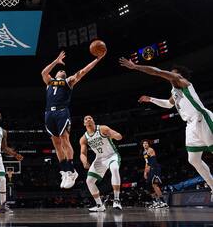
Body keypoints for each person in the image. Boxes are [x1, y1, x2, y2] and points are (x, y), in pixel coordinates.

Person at [119, 59, 213, 200]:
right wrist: (151, 99)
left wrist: (135, 67)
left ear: (179, 75)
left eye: (172, 73)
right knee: (193, 159)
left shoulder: (181, 81)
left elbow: (157, 72)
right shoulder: (174, 91)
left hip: (201, 118)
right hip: (190, 125)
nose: (170, 75)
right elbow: (168, 105)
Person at [41, 50, 106, 189]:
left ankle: (71, 170)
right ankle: (64, 171)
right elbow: (43, 73)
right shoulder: (49, 81)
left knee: (65, 140)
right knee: (56, 144)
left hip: (62, 112)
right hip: (48, 114)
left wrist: (97, 60)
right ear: (56, 74)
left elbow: (83, 72)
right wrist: (56, 61)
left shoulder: (68, 81)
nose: (61, 71)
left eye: (63, 71)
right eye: (59, 70)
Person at [79, 115, 123, 212]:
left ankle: (116, 199)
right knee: (89, 181)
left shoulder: (103, 128)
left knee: (115, 169)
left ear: (93, 121)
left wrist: (115, 135)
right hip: (100, 159)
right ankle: (99, 205)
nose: (88, 119)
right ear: (84, 123)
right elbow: (82, 153)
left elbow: (119, 136)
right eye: (85, 119)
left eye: (90, 118)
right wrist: (84, 161)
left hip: (112, 155)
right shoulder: (84, 138)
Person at [142, 140, 168, 208]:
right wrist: (145, 172)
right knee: (148, 185)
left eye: (146, 143)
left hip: (155, 168)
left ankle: (163, 202)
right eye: (144, 143)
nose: (145, 144)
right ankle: (155, 201)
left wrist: (149, 168)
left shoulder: (150, 150)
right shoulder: (144, 152)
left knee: (154, 185)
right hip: (150, 169)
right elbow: (146, 162)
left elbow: (153, 160)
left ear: (148, 144)